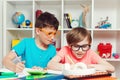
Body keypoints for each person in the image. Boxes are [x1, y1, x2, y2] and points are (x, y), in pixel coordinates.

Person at [47, 27, 115, 73]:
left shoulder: (90, 53)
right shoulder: (65, 50)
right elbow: (50, 65)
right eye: (76, 46)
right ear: (69, 44)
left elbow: (111, 68)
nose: (80, 50)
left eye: (84, 46)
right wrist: (70, 67)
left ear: (89, 44)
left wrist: (90, 66)